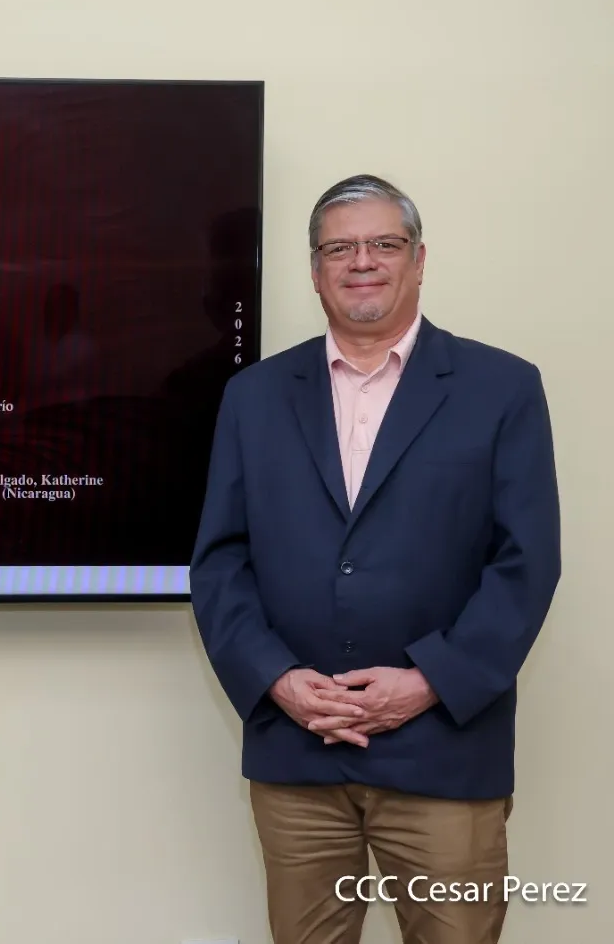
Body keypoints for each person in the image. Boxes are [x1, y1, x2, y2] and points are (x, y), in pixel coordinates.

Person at [189, 174, 559, 944]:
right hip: (297, 753)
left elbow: (526, 564)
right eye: (340, 249)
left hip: (445, 751)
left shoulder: (503, 388)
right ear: (314, 269)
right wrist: (278, 681)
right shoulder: (253, 396)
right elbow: (220, 562)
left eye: (384, 244)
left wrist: (429, 683)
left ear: (418, 260)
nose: (362, 261)